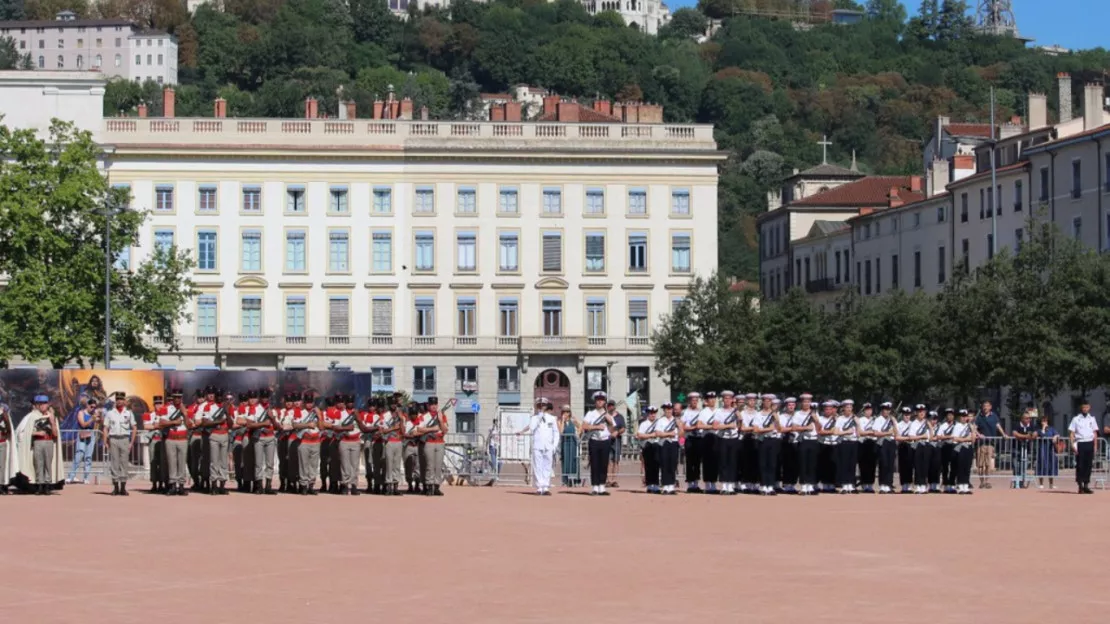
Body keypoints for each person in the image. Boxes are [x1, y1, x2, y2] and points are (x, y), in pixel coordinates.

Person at [18, 395, 60, 495]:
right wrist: (37, 433)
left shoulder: (51, 416)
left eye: (44, 403)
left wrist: (52, 421)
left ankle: (47, 485)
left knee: (48, 464)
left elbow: (55, 434)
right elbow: (27, 432)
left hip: (48, 441)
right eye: (40, 404)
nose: (42, 406)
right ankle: (39, 485)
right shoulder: (33, 416)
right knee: (38, 464)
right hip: (38, 442)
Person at [523, 399, 560, 496]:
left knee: (547, 466)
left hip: (548, 446)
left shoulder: (552, 418)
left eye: (543, 405)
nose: (541, 407)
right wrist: (539, 417)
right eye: (539, 405)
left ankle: (546, 487)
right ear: (536, 407)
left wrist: (554, 446)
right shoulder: (534, 418)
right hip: (537, 445)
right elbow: (532, 428)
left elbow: (556, 433)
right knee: (538, 466)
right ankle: (539, 487)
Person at [101, 391, 135, 497]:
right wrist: (105, 441)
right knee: (114, 463)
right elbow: (105, 428)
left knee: (124, 463)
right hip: (114, 439)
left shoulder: (128, 413)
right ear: (115, 401)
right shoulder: (110, 413)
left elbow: (134, 428)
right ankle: (115, 488)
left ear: (124, 401)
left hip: (124, 439)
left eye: (121, 399)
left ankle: (123, 488)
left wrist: (131, 442)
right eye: (117, 400)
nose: (119, 401)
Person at [582, 391, 615, 496]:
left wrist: (608, 420)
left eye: (602, 400)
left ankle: (602, 486)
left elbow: (612, 428)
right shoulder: (591, 414)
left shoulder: (607, 414)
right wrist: (596, 427)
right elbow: (585, 426)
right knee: (595, 464)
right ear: (595, 401)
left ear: (604, 402)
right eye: (598, 400)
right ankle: (595, 487)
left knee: (604, 464)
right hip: (594, 440)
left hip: (605, 440)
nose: (600, 401)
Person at [418, 396, 448, 497]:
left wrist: (440, 420)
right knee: (429, 465)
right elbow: (419, 429)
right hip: (429, 442)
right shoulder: (424, 416)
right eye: (431, 405)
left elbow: (445, 430)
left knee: (438, 466)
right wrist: (431, 429)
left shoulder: (441, 415)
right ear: (428, 405)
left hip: (440, 442)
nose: (433, 406)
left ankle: (436, 486)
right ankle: (429, 486)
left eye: (435, 404)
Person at [293, 392, 322, 495]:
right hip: (304, 441)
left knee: (313, 465)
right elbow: (295, 425)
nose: (309, 404)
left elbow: (322, 427)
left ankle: (311, 486)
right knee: (303, 465)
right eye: (307, 402)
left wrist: (319, 415)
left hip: (315, 441)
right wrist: (307, 425)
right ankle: (303, 485)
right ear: (304, 403)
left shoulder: (317, 412)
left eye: (311, 402)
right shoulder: (300, 412)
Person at [752, 395, 782, 496]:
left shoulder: (775, 414)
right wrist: (768, 429)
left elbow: (779, 429)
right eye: (765, 401)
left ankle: (770, 485)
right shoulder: (758, 414)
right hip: (763, 440)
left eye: (769, 401)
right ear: (762, 402)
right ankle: (763, 485)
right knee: (763, 463)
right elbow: (756, 429)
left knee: (772, 464)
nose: (767, 403)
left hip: (773, 440)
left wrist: (775, 417)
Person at [161, 389, 189, 496]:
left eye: (179, 397)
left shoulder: (185, 408)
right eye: (175, 397)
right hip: (171, 438)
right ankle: (172, 485)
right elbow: (162, 422)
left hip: (182, 438)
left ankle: (181, 486)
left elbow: (189, 425)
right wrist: (174, 422)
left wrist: (185, 414)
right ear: (172, 398)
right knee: (172, 463)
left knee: (182, 462)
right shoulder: (167, 408)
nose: (177, 399)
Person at [974, 400, 1007, 489]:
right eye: (984, 406)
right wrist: (979, 434)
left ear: (990, 407)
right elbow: (974, 428)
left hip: (991, 443)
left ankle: (987, 481)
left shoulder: (994, 416)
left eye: (987, 406)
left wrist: (1004, 434)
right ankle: (981, 482)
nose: (985, 407)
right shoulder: (979, 417)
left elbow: (998, 426)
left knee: (988, 464)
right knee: (980, 464)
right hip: (981, 444)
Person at [1068, 400, 1098, 494]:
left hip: (1089, 442)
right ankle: (1080, 485)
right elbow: (1072, 433)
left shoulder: (1092, 419)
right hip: (1080, 443)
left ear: (1089, 408)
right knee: (1080, 465)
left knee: (1088, 465)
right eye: (1083, 407)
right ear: (1081, 408)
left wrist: (1095, 445)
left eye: (1087, 407)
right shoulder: (1076, 419)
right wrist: (1072, 444)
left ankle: (1086, 485)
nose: (1085, 409)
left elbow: (1095, 433)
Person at [66, 399, 99, 484]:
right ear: (87, 405)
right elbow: (83, 424)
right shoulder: (81, 413)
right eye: (91, 407)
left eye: (94, 407)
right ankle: (71, 476)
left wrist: (97, 420)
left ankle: (86, 477)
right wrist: (92, 419)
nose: (93, 409)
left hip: (91, 435)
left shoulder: (94, 414)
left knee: (88, 457)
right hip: (82, 434)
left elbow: (96, 427)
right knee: (79, 454)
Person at [713, 391, 740, 495]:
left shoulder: (735, 411)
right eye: (725, 398)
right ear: (723, 400)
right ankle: (724, 485)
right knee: (723, 461)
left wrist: (739, 416)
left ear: (732, 400)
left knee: (732, 462)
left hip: (733, 438)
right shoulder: (719, 412)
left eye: (729, 398)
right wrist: (727, 426)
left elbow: (740, 424)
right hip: (723, 438)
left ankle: (731, 486)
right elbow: (715, 426)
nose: (727, 400)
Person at [792, 396, 819, 495]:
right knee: (803, 463)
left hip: (813, 440)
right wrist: (806, 427)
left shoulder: (814, 414)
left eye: (808, 402)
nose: (806, 404)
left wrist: (816, 420)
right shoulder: (797, 414)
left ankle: (810, 485)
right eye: (804, 402)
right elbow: (794, 427)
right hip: (803, 440)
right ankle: (803, 485)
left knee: (812, 464)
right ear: (801, 403)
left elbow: (819, 428)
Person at [871, 402, 897, 494]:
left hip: (891, 442)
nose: (887, 411)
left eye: (889, 410)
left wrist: (894, 422)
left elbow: (896, 433)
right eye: (885, 409)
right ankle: (883, 485)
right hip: (882, 443)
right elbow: (875, 433)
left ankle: (889, 485)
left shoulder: (892, 420)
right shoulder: (879, 419)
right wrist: (887, 433)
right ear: (882, 410)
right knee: (884, 464)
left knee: (890, 465)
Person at [815, 399, 840, 493]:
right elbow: (819, 431)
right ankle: (825, 484)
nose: (829, 411)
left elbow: (838, 431)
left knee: (833, 465)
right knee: (823, 465)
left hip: (834, 444)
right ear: (824, 410)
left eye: (830, 409)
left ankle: (832, 484)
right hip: (823, 444)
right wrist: (830, 431)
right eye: (827, 409)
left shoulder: (837, 419)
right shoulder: (821, 419)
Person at [636, 405, 662, 494]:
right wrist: (651, 435)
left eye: (654, 413)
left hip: (656, 445)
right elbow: (639, 435)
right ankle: (650, 485)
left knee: (656, 466)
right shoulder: (644, 424)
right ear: (648, 413)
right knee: (648, 466)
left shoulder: (659, 423)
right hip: (647, 446)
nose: (653, 415)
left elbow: (660, 434)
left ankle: (656, 485)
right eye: (651, 413)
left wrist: (654, 435)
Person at [834, 399, 859, 494]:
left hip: (853, 442)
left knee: (852, 464)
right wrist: (846, 432)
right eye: (847, 407)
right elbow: (836, 432)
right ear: (843, 408)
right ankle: (844, 484)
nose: (849, 409)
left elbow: (859, 433)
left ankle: (851, 484)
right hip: (844, 442)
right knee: (844, 464)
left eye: (850, 407)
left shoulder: (855, 418)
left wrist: (858, 424)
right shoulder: (840, 419)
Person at [680, 392, 702, 493]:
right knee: (690, 462)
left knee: (697, 462)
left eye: (696, 400)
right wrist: (693, 427)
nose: (695, 402)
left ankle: (696, 483)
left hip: (698, 438)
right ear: (689, 401)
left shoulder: (701, 412)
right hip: (689, 438)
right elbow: (683, 426)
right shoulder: (686, 412)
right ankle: (690, 484)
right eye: (693, 400)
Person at [144, 395, 167, 493]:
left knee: (162, 463)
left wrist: (155, 425)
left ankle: (162, 483)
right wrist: (157, 425)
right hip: (154, 439)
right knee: (153, 462)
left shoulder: (166, 414)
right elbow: (146, 426)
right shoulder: (150, 414)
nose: (158, 405)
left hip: (162, 440)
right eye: (156, 403)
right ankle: (154, 484)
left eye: (160, 403)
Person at [380, 400, 404, 496]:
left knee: (397, 465)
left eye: (395, 404)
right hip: (389, 442)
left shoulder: (401, 415)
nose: (394, 405)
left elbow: (403, 431)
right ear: (389, 405)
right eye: (392, 404)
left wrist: (401, 419)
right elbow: (382, 431)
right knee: (389, 464)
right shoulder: (384, 415)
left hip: (398, 442)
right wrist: (393, 428)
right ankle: (388, 486)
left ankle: (395, 487)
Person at [656, 402, 680, 495]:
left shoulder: (676, 420)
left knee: (673, 464)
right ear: (664, 410)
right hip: (664, 443)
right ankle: (665, 486)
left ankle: (671, 486)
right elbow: (658, 433)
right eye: (666, 409)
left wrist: (680, 426)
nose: (668, 411)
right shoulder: (661, 420)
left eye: (670, 409)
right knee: (665, 464)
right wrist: (669, 434)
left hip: (674, 443)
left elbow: (681, 433)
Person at [908, 405, 931, 495]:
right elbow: (911, 436)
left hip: (925, 445)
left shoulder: (926, 423)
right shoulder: (914, 423)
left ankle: (923, 485)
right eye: (920, 411)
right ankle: (918, 485)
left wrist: (930, 427)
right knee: (918, 466)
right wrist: (922, 436)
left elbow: (930, 437)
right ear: (916, 413)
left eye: (923, 411)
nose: (922, 413)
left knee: (925, 466)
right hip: (917, 446)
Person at [1011, 409, 1036, 490]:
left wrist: (1031, 436)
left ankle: (1022, 483)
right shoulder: (1016, 424)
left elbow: (1035, 433)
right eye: (1026, 418)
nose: (1028, 420)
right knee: (1016, 466)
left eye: (1029, 418)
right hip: (1016, 449)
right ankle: (1016, 483)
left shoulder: (1031, 425)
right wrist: (1026, 436)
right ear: (1022, 418)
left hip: (1026, 449)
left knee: (1024, 467)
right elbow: (1015, 433)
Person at [952, 409, 976, 494]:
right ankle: (961, 485)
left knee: (967, 467)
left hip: (968, 447)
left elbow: (973, 439)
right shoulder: (957, 426)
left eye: (965, 416)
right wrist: (965, 439)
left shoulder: (970, 426)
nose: (964, 418)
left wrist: (973, 429)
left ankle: (966, 485)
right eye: (962, 416)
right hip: (960, 447)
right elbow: (955, 438)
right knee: (961, 467)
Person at [739, 393, 759, 492]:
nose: (752, 402)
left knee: (754, 462)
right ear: (747, 401)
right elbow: (742, 428)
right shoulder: (743, 413)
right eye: (750, 400)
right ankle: (744, 482)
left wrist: (755, 429)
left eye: (754, 400)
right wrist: (753, 428)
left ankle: (753, 482)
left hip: (755, 438)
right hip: (745, 439)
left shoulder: (757, 413)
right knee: (745, 461)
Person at [1034, 413, 1059, 489]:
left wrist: (1055, 436)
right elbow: (1042, 435)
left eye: (1046, 421)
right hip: (1042, 450)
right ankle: (1041, 483)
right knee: (1042, 465)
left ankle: (1051, 484)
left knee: (1051, 466)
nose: (1045, 422)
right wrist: (1043, 428)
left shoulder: (1051, 429)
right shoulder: (1038, 430)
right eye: (1043, 421)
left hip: (1050, 450)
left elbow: (1057, 434)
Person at [855, 402, 876, 493]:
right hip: (863, 443)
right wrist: (870, 432)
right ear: (864, 411)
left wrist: (870, 432)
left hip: (872, 442)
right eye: (867, 410)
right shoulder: (860, 419)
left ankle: (870, 484)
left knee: (872, 465)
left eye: (870, 410)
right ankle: (864, 484)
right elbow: (860, 432)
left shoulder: (875, 419)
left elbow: (876, 432)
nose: (869, 412)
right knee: (863, 464)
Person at [558, 406, 580, 487]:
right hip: (565, 444)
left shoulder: (572, 421)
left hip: (573, 443)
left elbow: (581, 428)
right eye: (564, 412)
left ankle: (574, 479)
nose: (566, 414)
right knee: (566, 461)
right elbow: (561, 431)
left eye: (567, 412)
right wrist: (563, 421)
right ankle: (565, 480)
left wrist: (578, 432)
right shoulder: (560, 421)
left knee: (573, 461)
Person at [895, 407, 914, 493]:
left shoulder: (913, 424)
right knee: (902, 466)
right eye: (905, 415)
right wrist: (907, 438)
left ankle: (909, 485)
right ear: (902, 415)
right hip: (902, 445)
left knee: (910, 466)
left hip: (911, 446)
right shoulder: (899, 425)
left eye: (908, 415)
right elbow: (897, 437)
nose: (907, 416)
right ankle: (903, 486)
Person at [607, 400, 626, 488]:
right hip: (607, 440)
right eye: (609, 406)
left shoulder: (620, 417)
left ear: (614, 406)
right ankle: (608, 480)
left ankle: (614, 480)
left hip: (617, 441)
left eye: (612, 405)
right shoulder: (605, 416)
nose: (610, 407)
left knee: (616, 461)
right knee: (608, 461)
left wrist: (617, 432)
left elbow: (623, 428)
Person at [925, 410, 942, 493]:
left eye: (935, 419)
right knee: (929, 467)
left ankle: (936, 485)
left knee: (937, 467)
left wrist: (937, 437)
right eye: (932, 419)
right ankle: (930, 484)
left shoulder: (939, 426)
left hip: (937, 447)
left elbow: (940, 437)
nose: (933, 421)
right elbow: (930, 438)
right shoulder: (925, 427)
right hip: (928, 447)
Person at [0, 404, 10, 494]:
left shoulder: (3, 413)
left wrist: (4, 416)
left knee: (2, 466)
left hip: (1, 442)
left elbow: (8, 428)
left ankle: (1, 485)